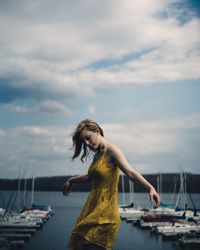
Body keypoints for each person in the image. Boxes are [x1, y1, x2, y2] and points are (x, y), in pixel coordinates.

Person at [63, 119, 160, 250]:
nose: (87, 143)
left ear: (97, 132)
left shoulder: (112, 151)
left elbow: (130, 173)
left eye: (88, 138)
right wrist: (71, 180)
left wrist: (150, 187)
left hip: (106, 215)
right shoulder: (97, 155)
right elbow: (89, 177)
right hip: (93, 210)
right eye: (84, 141)